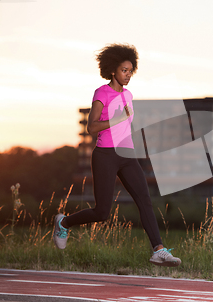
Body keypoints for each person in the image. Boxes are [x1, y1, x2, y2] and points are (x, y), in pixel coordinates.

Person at [52, 43, 181, 267]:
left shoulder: (129, 95)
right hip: (105, 155)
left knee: (145, 200)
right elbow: (91, 128)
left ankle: (158, 250)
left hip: (127, 155)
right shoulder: (102, 93)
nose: (128, 75)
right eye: (124, 70)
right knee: (102, 212)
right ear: (113, 70)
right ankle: (63, 223)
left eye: (131, 70)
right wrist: (118, 119)